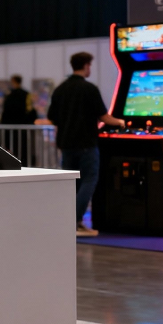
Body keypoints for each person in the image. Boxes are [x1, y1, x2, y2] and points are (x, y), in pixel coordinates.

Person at [47, 52, 125, 237]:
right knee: (89, 179)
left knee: (71, 184)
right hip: (86, 143)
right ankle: (74, 222)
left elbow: (52, 117)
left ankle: (71, 222)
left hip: (66, 144)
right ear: (86, 65)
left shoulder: (60, 89)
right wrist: (121, 122)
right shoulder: (89, 89)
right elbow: (104, 117)